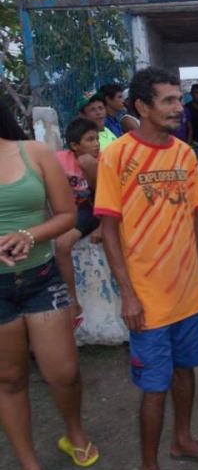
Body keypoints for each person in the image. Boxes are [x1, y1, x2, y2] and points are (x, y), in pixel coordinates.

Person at [94, 67, 198, 470]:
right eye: (167, 101)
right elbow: (109, 229)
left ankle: (182, 439)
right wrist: (128, 294)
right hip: (147, 298)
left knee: (186, 370)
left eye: (178, 99)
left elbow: (196, 217)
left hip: (186, 291)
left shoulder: (185, 153)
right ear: (142, 107)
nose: (177, 108)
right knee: (154, 386)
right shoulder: (117, 156)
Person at [0, 98, 98, 470]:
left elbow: (66, 215)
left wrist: (29, 235)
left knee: (64, 373)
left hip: (41, 279)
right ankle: (30, 467)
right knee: (9, 379)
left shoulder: (33, 152)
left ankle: (73, 430)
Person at [54, 118, 102, 329]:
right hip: (69, 211)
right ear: (74, 145)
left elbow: (108, 196)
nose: (96, 144)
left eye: (97, 138)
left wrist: (102, 225)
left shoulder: (101, 160)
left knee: (63, 244)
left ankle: (73, 302)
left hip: (92, 209)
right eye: (90, 140)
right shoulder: (60, 160)